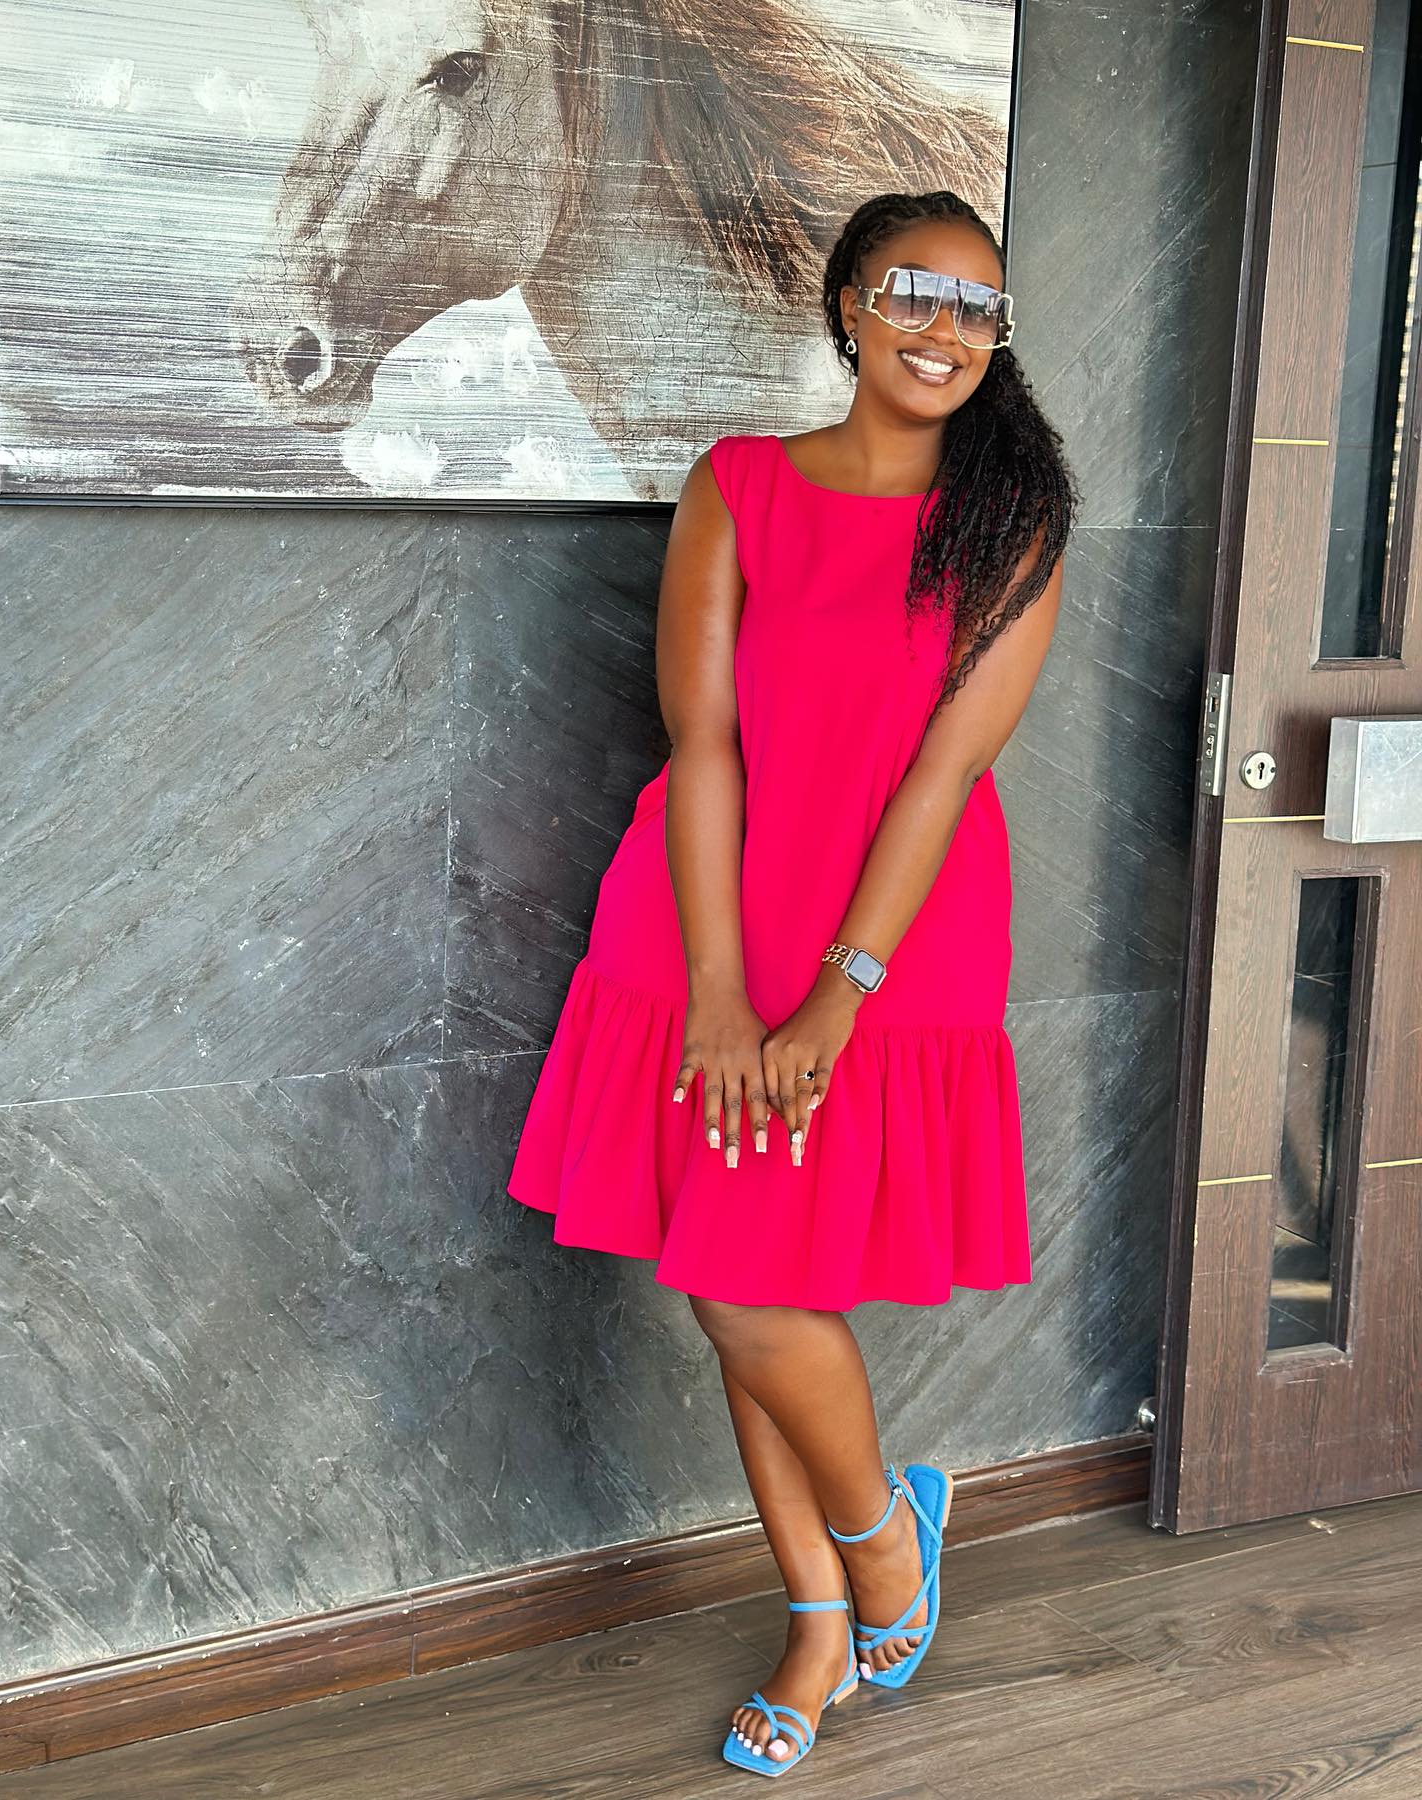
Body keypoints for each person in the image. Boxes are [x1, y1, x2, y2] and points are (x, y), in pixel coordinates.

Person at [508, 189, 1076, 1776]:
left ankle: (865, 1566)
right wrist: (716, 989)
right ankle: (847, 1589)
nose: (946, 329)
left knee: (749, 1283)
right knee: (734, 1276)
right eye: (914, 293)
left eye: (979, 306)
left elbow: (945, 773)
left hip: (894, 935)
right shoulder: (741, 484)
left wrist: (836, 994)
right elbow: (701, 744)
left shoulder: (1013, 519)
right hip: (702, 914)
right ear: (845, 307)